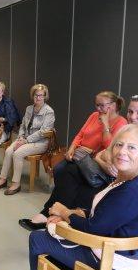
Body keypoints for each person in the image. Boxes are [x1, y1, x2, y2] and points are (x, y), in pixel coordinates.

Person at [17, 124, 138, 270]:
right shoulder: (137, 181)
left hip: (112, 267)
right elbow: (105, 215)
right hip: (123, 258)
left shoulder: (130, 190)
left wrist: (65, 213)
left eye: (131, 147)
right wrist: (73, 213)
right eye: (119, 145)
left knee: (37, 239)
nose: (122, 152)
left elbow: (93, 229)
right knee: (63, 230)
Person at [19, 91, 127, 231]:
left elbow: (110, 147)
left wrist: (105, 125)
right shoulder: (94, 116)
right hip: (79, 155)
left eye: (102, 105)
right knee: (59, 170)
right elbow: (80, 134)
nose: (98, 109)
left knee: (68, 172)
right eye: (97, 105)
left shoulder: (121, 122)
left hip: (95, 162)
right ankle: (59, 210)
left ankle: (48, 213)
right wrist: (71, 148)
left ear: (113, 105)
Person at [0, 84, 55, 195]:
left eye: (41, 95)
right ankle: (3, 179)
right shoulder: (29, 108)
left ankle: (16, 184)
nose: (38, 98)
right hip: (24, 139)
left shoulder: (49, 111)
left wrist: (25, 141)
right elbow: (22, 126)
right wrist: (20, 137)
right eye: (36, 95)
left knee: (18, 153)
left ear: (45, 96)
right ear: (32, 96)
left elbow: (43, 132)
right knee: (8, 151)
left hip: (40, 142)